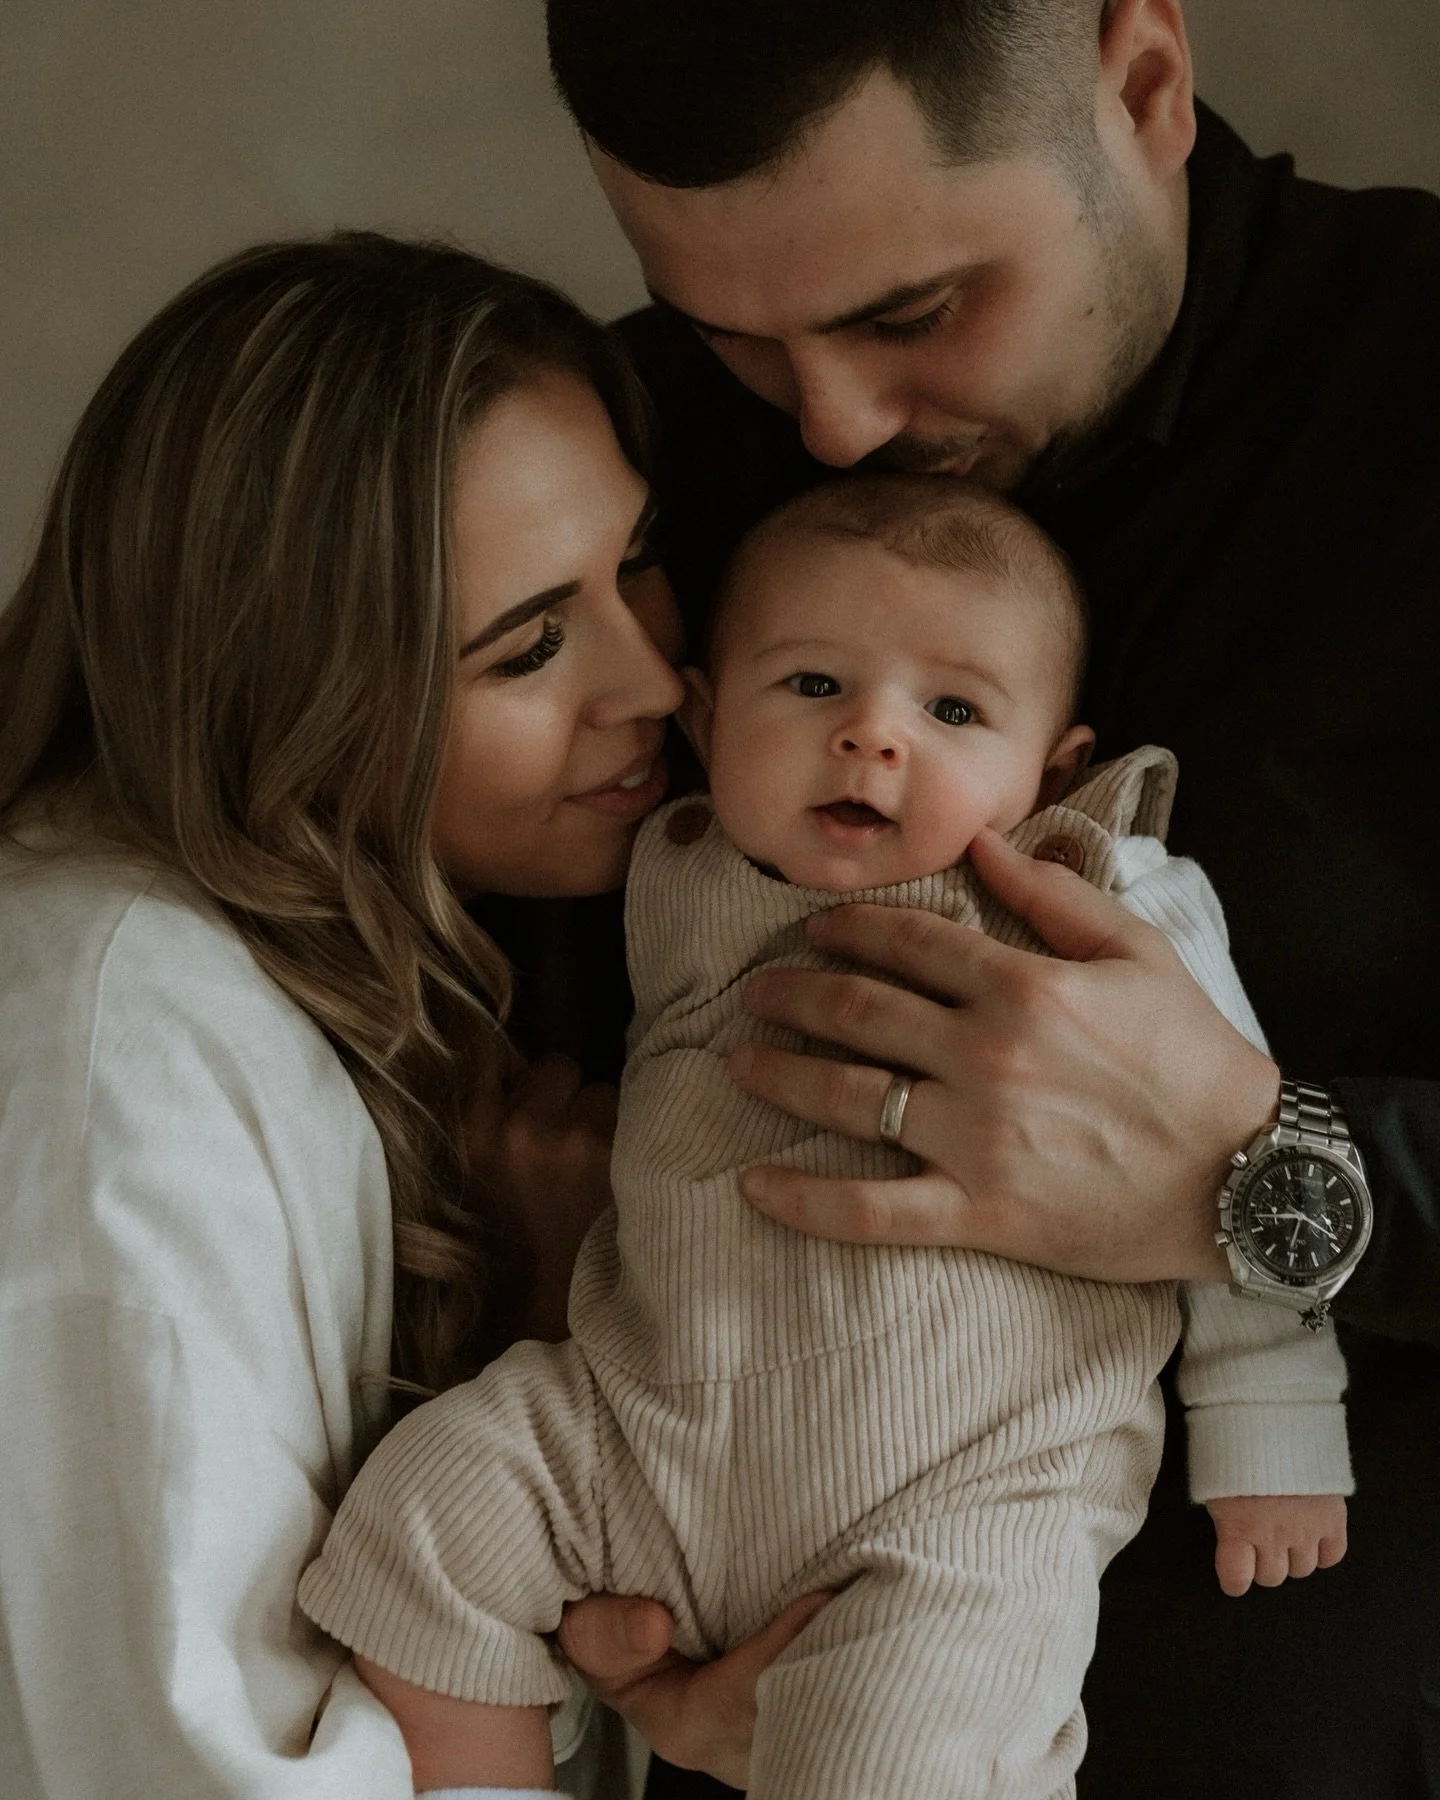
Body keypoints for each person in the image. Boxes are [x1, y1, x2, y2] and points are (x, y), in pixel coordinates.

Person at [541, 1, 1440, 1795]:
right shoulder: (625, 465)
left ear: (1145, 87)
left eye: (909, 313)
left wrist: (1268, 1174)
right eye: (732, 331)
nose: (834, 427)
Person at [297, 473, 1349, 1800]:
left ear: (1056, 769)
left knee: (893, 1765)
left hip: (960, 1501)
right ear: (705, 715)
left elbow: (1248, 1159)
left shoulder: (1104, 887)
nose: (870, 739)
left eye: (952, 709)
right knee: (422, 1522)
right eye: (810, 690)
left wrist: (1273, 1425)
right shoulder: (674, 862)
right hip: (637, 1429)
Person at [0, 231, 825, 1800]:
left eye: (635, 561)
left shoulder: (344, 960)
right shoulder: (117, 1055)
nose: (657, 679)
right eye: (528, 644)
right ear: (288, 680)